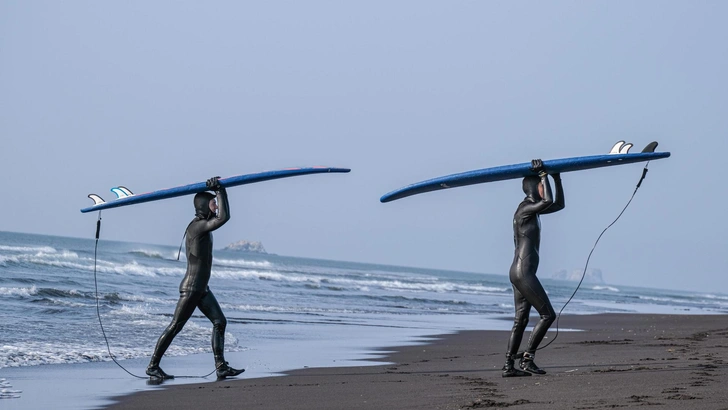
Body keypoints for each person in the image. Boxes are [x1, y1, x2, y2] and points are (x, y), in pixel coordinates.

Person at [146, 177, 244, 380]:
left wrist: (218, 191)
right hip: (192, 288)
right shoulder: (197, 227)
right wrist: (220, 191)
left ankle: (221, 366)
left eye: (216, 203)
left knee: (220, 321)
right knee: (175, 326)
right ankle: (153, 365)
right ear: (203, 206)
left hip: (201, 289)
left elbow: (219, 217)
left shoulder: (203, 225)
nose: (216, 207)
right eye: (213, 204)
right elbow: (224, 218)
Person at [502, 159, 565, 377]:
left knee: (521, 320)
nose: (543, 187)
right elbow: (548, 199)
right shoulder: (525, 209)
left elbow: (557, 204)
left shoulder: (533, 210)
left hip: (519, 271)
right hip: (523, 272)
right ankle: (527, 359)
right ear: (535, 187)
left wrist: (556, 177)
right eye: (541, 185)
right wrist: (543, 174)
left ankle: (509, 367)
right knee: (548, 315)